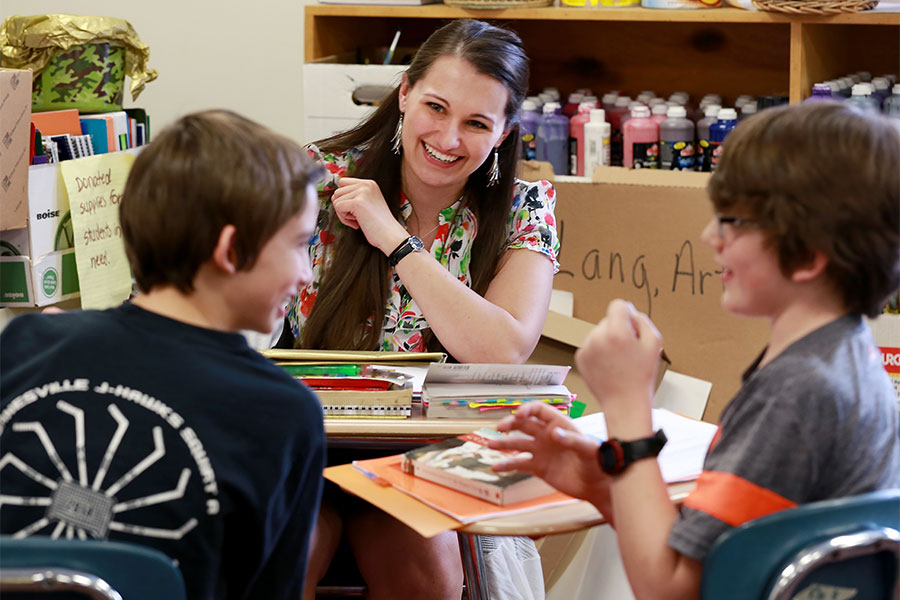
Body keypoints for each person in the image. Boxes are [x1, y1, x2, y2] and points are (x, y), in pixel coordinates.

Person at [486, 101, 900, 599]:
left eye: (732, 220)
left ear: (810, 255)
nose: (711, 236)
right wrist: (606, 479)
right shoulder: (840, 360)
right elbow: (714, 554)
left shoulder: (795, 394)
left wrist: (627, 407)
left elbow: (669, 589)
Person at [0, 110, 328, 599]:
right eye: (301, 244)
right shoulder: (282, 412)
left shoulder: (25, 343)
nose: (306, 273)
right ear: (231, 250)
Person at [284, 19, 560, 600]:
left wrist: (397, 240)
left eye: (478, 123)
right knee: (288, 551)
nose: (449, 138)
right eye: (436, 107)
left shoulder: (525, 207)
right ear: (405, 94)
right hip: (313, 446)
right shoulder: (315, 178)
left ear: (506, 133)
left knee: (422, 555)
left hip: (441, 459)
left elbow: (503, 350)